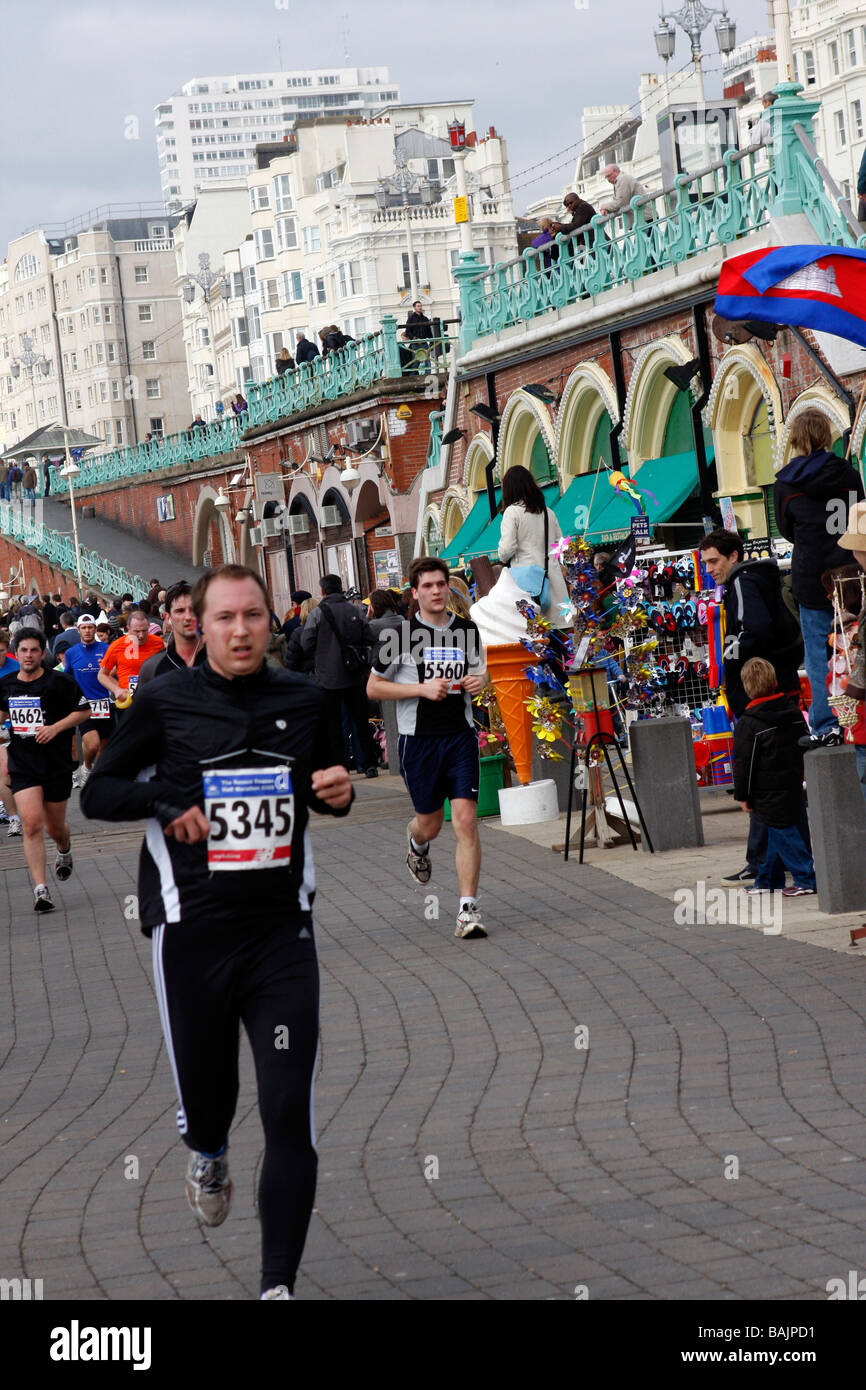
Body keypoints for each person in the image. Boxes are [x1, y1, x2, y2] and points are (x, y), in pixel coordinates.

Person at [81, 564, 353, 1301]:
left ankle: (276, 1288)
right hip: (192, 934)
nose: (241, 631)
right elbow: (99, 793)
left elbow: (327, 788)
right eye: (225, 618)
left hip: (279, 936)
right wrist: (166, 801)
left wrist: (340, 792)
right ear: (197, 623)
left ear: (272, 622)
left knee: (288, 1107)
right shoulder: (166, 700)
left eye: (254, 617)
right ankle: (207, 1150)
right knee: (211, 1102)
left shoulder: (304, 698)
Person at [367, 556, 489, 940]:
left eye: (442, 584)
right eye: (429, 586)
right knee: (432, 824)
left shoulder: (467, 631)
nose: (437, 591)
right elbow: (373, 688)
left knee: (466, 820)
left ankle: (467, 910)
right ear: (415, 592)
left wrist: (478, 682)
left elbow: (481, 672)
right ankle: (416, 842)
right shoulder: (398, 637)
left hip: (460, 737)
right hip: (419, 742)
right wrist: (419, 689)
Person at [699, 527, 804, 884]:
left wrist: (733, 657)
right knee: (777, 784)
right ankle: (770, 863)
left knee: (763, 784)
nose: (709, 569)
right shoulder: (753, 581)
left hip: (761, 697)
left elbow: (754, 628)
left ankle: (765, 864)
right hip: (776, 691)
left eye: (714, 561)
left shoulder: (743, 582)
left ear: (734, 556)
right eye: (706, 562)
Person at [773, 408, 863, 749]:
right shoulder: (848, 474)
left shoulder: (786, 484)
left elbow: (787, 530)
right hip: (849, 575)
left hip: (811, 577)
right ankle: (859, 712)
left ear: (796, 438)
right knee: (856, 644)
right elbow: (860, 517)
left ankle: (825, 723)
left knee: (815, 651)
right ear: (826, 436)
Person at [0, 629, 92, 911]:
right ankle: (41, 889)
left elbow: (84, 711)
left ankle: (64, 850)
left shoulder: (60, 683)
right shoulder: (6, 685)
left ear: (42, 653)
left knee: (54, 828)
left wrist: (55, 728)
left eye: (34, 651)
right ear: (18, 652)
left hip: (55, 763)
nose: (29, 656)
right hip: (23, 762)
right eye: (24, 651)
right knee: (30, 823)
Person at [732, 657, 816, 896]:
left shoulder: (749, 723)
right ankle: (769, 878)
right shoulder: (792, 711)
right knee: (779, 830)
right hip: (791, 780)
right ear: (775, 680)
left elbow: (743, 764)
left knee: (782, 833)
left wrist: (742, 795)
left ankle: (806, 877)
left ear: (747, 688)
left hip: (764, 788)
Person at [300, 576, 378, 777]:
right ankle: (368, 764)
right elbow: (370, 637)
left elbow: (306, 643)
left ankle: (340, 766)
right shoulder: (354, 611)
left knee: (333, 726)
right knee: (361, 722)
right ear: (341, 589)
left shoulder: (317, 614)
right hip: (355, 676)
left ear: (323, 592)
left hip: (327, 678)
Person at [62, 615, 110, 787]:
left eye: (90, 627)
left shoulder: (106, 648)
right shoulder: (71, 652)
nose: (88, 631)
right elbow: (67, 678)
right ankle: (87, 768)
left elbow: (116, 674)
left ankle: (96, 775)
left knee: (102, 746)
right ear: (78, 630)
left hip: (104, 703)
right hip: (84, 705)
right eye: (84, 628)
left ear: (95, 629)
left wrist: (108, 671)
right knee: (92, 744)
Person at [138, 582, 206, 686]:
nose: (187, 617)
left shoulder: (221, 660)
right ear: (168, 617)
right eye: (180, 611)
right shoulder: (152, 667)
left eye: (193, 610)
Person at [98, 608, 164, 709]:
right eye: (137, 631)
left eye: (144, 631)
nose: (141, 635)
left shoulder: (158, 642)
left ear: (149, 627)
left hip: (154, 700)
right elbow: (102, 675)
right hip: (129, 702)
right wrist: (116, 689)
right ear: (128, 628)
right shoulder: (117, 645)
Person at [285, 597, 318, 674]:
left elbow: (291, 663)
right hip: (327, 677)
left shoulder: (298, 633)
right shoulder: (325, 630)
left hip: (306, 678)